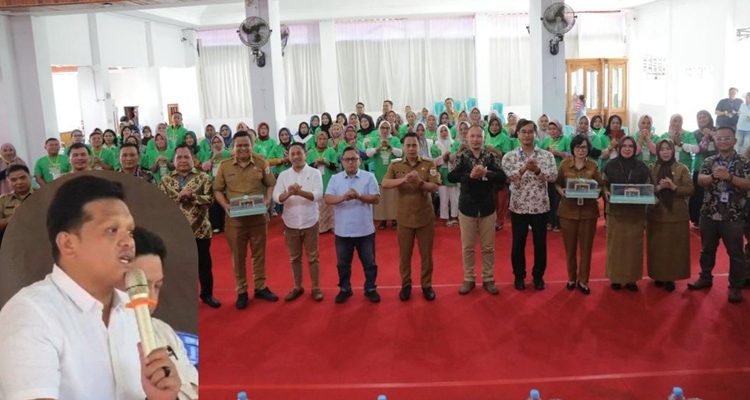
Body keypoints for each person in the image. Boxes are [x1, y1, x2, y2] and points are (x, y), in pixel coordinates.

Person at [0, 175, 180, 399]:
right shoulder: (31, 313)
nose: (128, 242)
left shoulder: (133, 311)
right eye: (112, 230)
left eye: (130, 232)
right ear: (68, 243)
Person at [130, 227, 199, 400]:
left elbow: (194, 391)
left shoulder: (164, 332)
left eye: (157, 286)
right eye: (142, 286)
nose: (151, 298)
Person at [213, 131, 278, 309]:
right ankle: (241, 291)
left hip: (258, 218)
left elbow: (270, 183)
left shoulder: (261, 162)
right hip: (235, 222)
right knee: (238, 256)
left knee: (259, 254)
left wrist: (267, 200)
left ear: (252, 145)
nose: (243, 148)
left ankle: (260, 287)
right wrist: (225, 205)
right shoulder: (224, 166)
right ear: (233, 147)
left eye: (246, 145)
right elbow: (217, 189)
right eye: (239, 145)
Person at [688, 127, 750, 303]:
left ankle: (735, 286)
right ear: (715, 141)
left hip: (733, 215)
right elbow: (700, 180)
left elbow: (748, 184)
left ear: (734, 141)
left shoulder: (744, 162)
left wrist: (729, 177)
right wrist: (713, 177)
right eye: (720, 138)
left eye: (727, 138)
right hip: (709, 213)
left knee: (735, 253)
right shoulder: (709, 160)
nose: (723, 141)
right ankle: (705, 277)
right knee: (706, 250)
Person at [448, 126, 507, 295]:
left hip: (487, 206)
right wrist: (470, 176)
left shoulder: (490, 156)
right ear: (467, 138)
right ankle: (469, 278)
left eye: (478, 136)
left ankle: (488, 278)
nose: (475, 139)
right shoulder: (462, 156)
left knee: (488, 247)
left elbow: (502, 177)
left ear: (483, 138)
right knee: (468, 247)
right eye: (472, 136)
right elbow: (451, 176)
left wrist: (486, 173)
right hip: (467, 206)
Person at [382, 133, 441, 301]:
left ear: (419, 146)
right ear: (403, 147)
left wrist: (420, 182)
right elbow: (385, 183)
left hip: (425, 217)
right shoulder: (395, 165)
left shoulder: (429, 164)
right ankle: (406, 285)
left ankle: (426, 285)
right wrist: (404, 180)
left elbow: (435, 187)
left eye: (414, 145)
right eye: (408, 145)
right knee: (405, 255)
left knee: (426, 255)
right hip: (404, 218)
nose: (411, 149)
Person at [160, 144, 220, 309]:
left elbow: (211, 200)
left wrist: (193, 197)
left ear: (192, 159)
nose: (183, 160)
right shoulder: (165, 180)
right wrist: (178, 198)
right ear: (174, 160)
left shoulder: (204, 177)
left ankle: (207, 295)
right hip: (175, 232)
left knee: (204, 265)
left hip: (200, 229)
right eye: (179, 157)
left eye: (186, 157)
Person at [502, 119, 558, 291]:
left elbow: (553, 177)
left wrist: (538, 170)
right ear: (518, 134)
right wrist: (525, 168)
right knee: (518, 243)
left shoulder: (546, 156)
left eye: (530, 132)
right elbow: (509, 178)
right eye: (523, 132)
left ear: (535, 134)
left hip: (540, 206)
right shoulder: (509, 157)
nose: (527, 135)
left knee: (540, 244)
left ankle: (538, 276)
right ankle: (519, 276)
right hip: (518, 206)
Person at [324, 147, 381, 304]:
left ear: (359, 161)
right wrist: (343, 198)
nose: (350, 162)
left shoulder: (369, 177)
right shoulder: (335, 178)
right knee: (343, 264)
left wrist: (359, 196)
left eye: (354, 159)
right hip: (343, 231)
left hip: (365, 230)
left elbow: (376, 199)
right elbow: (328, 199)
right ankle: (345, 289)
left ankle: (370, 288)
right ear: (342, 162)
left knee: (369, 263)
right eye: (347, 159)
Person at [272, 143, 325, 302]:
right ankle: (297, 287)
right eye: (292, 154)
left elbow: (318, 195)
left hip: (310, 221)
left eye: (299, 153)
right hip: (291, 222)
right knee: (294, 257)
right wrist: (289, 193)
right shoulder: (284, 175)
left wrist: (299, 192)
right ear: (288, 157)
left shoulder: (315, 173)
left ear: (305, 154)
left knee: (313, 257)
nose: (296, 157)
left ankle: (315, 287)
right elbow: (277, 197)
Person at [603, 136, 652, 291]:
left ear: (635, 149)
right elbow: (603, 184)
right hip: (616, 213)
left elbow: (648, 185)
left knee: (633, 247)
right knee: (616, 246)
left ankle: (632, 279)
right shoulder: (610, 165)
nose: (627, 149)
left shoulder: (642, 166)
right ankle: (616, 278)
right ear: (619, 148)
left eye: (630, 146)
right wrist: (605, 192)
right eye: (624, 146)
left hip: (635, 213)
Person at [555, 135, 601, 295]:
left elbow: (600, 186)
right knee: (570, 248)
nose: (581, 150)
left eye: (584, 147)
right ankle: (571, 278)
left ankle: (583, 281)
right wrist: (561, 191)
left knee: (586, 249)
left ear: (588, 149)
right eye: (578, 147)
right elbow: (557, 183)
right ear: (572, 149)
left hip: (588, 212)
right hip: (568, 211)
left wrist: (596, 192)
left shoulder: (594, 165)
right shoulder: (564, 164)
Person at [646, 139, 694, 292]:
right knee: (657, 248)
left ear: (673, 151)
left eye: (668, 149)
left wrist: (674, 187)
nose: (665, 152)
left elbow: (690, 189)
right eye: (662, 149)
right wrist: (658, 188)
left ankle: (671, 277)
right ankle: (658, 275)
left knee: (674, 248)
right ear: (657, 151)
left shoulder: (682, 168)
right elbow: (646, 189)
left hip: (677, 215)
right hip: (656, 213)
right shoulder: (652, 168)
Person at [366, 121, 402, 230]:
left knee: (393, 198)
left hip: (392, 174)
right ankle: (383, 220)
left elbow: (400, 153)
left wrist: (390, 147)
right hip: (379, 173)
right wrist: (378, 148)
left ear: (390, 129)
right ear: (379, 129)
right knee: (382, 199)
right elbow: (368, 153)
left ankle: (395, 219)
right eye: (383, 128)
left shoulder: (394, 140)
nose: (385, 130)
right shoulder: (375, 140)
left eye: (387, 128)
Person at [541, 120, 571, 232]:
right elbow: (540, 154)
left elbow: (571, 155)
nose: (552, 131)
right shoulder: (546, 140)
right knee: (549, 198)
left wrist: (557, 153)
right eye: (550, 129)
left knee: (559, 199)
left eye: (555, 129)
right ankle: (549, 222)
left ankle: (558, 223)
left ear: (559, 129)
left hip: (561, 172)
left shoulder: (566, 139)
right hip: (548, 173)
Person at [307, 131, 339, 233]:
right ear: (316, 140)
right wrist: (315, 164)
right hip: (315, 183)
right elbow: (307, 168)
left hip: (328, 181)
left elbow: (336, 167)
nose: (322, 141)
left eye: (324, 139)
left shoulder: (331, 151)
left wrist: (326, 163)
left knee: (330, 206)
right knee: (317, 206)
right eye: (320, 139)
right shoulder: (311, 152)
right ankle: (319, 227)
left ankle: (331, 226)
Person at [432, 124, 459, 226]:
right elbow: (434, 161)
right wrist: (443, 158)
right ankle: (445, 217)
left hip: (453, 172)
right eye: (441, 131)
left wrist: (450, 157)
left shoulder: (453, 144)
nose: (444, 133)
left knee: (454, 197)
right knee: (444, 198)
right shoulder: (435, 146)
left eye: (445, 130)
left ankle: (454, 217)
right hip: (442, 172)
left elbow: (457, 157)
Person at [0, 164, 33, 246]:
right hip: (11, 244)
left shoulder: (43, 196)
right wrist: (11, 218)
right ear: (8, 182)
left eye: (23, 178)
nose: (19, 182)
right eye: (13, 180)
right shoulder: (3, 200)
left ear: (30, 177)